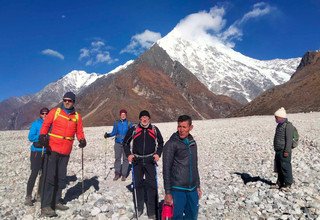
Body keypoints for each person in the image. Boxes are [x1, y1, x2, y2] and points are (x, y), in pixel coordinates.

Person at [39, 92, 86, 217]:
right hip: (52, 149)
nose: (67, 102)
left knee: (61, 177)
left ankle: (57, 201)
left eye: (69, 100)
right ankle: (46, 206)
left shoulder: (77, 116)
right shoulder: (55, 112)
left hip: (66, 151)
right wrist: (42, 136)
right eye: (65, 100)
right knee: (50, 177)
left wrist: (82, 139)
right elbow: (46, 125)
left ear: (73, 102)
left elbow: (79, 131)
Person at [123, 110, 164, 219]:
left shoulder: (154, 129)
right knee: (138, 185)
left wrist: (158, 154)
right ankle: (139, 208)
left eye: (146, 117)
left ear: (149, 119)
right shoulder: (134, 129)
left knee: (152, 186)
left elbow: (161, 143)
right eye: (142, 117)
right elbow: (125, 143)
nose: (144, 119)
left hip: (150, 161)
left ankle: (152, 211)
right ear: (140, 119)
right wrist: (129, 155)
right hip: (137, 161)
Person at [163, 115, 202, 220]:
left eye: (184, 127)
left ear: (190, 127)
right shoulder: (171, 144)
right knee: (176, 216)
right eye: (179, 126)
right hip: (177, 188)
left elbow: (195, 165)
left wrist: (197, 185)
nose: (181, 130)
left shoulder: (192, 143)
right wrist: (168, 193)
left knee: (192, 216)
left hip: (192, 188)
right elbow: (166, 169)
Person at [24, 107, 49, 206]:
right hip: (36, 152)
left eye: (47, 113)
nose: (45, 115)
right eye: (43, 113)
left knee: (43, 173)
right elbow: (30, 137)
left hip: (46, 151)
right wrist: (41, 138)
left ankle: (39, 194)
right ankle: (28, 196)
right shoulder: (36, 124)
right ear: (40, 114)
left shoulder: (51, 124)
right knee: (34, 173)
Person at [104, 109, 133, 181]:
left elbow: (132, 133)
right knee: (117, 158)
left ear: (126, 115)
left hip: (126, 144)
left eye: (124, 114)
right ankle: (117, 173)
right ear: (120, 115)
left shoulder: (129, 124)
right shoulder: (116, 123)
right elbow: (114, 132)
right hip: (117, 143)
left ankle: (124, 174)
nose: (123, 116)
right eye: (122, 114)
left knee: (126, 159)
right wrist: (108, 135)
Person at [272, 107, 294, 191]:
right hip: (278, 150)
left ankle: (288, 184)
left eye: (276, 117)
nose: (275, 119)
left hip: (284, 150)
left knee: (285, 167)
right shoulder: (279, 125)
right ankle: (279, 183)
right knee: (279, 167)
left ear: (281, 117)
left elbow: (289, 140)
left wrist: (287, 151)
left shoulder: (288, 126)